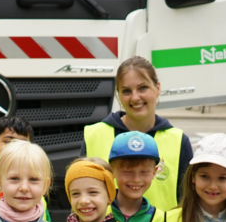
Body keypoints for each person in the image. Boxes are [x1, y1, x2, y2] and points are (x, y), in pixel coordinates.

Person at [82, 56, 193, 211]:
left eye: (143, 88)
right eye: (126, 91)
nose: (135, 97)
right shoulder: (94, 135)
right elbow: (79, 196)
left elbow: (188, 205)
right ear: (118, 94)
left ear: (158, 88)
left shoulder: (178, 141)